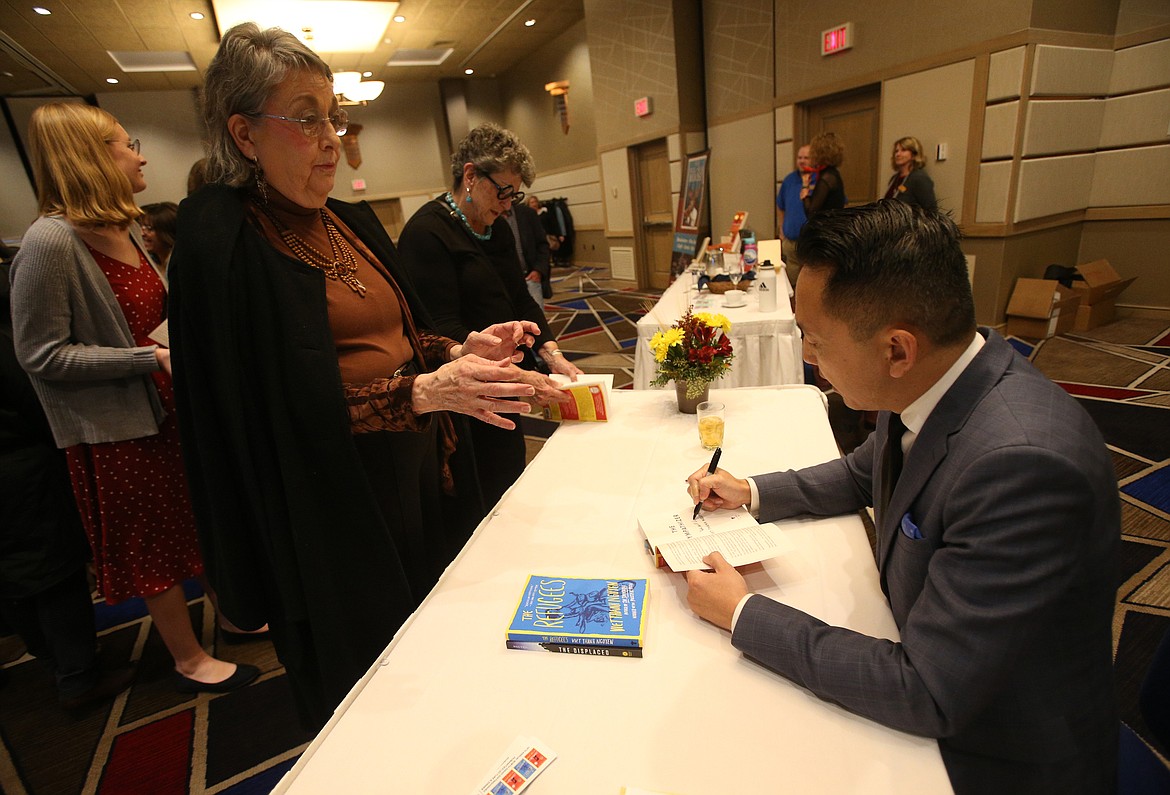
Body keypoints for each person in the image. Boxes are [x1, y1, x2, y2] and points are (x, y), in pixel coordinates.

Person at [168, 23, 541, 728]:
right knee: (374, 691)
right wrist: (422, 391)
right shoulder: (224, 247)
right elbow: (272, 412)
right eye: (307, 119)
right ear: (244, 135)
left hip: (414, 473)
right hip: (332, 514)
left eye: (333, 116)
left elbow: (404, 333)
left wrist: (460, 347)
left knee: (439, 646)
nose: (333, 138)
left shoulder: (348, 221)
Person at [683, 200, 1119, 794]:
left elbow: (928, 692)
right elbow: (864, 475)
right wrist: (752, 491)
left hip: (996, 754)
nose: (809, 358)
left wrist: (742, 612)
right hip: (933, 658)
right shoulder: (938, 379)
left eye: (815, 340)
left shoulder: (1021, 467)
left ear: (896, 349)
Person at [8, 103, 257, 695]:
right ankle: (188, 658)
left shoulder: (122, 227)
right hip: (116, 428)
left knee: (198, 519)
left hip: (168, 409)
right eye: (126, 144)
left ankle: (228, 616)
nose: (140, 155)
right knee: (151, 545)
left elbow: (156, 315)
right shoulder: (49, 241)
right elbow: (40, 354)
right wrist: (148, 358)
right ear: (90, 158)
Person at [397, 123, 578, 510]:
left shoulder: (494, 229)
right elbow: (440, 329)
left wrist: (550, 352)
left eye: (516, 193)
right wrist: (516, 376)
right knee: (476, 500)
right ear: (470, 176)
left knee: (509, 480)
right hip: (460, 395)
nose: (509, 203)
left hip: (501, 383)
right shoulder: (427, 233)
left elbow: (519, 297)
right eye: (503, 190)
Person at [1, 259, 136, 710]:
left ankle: (55, 662)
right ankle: (78, 675)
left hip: (15, 467)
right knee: (52, 570)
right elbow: (30, 394)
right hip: (20, 467)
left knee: (19, 573)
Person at [775, 144, 814, 284]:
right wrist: (781, 230)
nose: (802, 161)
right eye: (799, 158)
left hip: (812, 243)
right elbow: (780, 206)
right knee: (792, 283)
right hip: (790, 242)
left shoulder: (821, 180)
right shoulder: (789, 180)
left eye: (806, 158)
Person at [504, 198, 551, 305]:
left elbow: (542, 245)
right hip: (505, 283)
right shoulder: (488, 217)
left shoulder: (527, 213)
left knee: (536, 319)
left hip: (530, 278)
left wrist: (538, 271)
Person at [883, 136, 937, 211]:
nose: (898, 154)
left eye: (903, 150)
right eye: (896, 151)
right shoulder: (894, 178)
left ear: (914, 154)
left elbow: (931, 211)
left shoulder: (919, 178)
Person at [801, 131, 846, 220]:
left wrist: (805, 191)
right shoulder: (833, 173)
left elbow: (811, 213)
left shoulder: (827, 177)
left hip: (826, 229)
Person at [139, 201, 177, 271]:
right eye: (140, 226)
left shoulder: (180, 264)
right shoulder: (147, 260)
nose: (142, 234)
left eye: (149, 228)